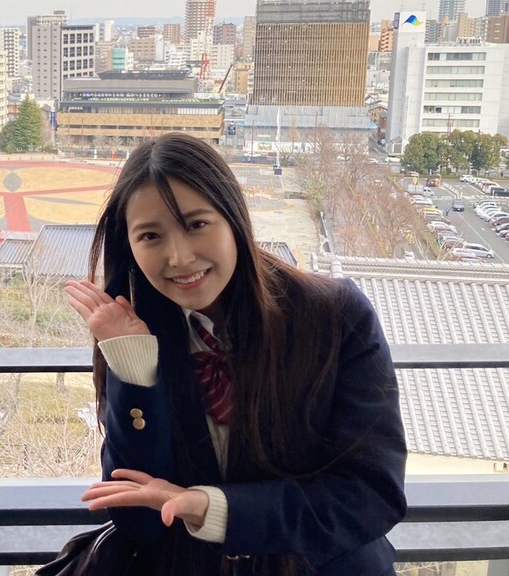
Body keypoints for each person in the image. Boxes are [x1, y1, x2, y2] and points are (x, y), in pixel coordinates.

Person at [63, 133, 407, 575]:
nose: (179, 257)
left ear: (233, 217)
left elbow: (371, 494)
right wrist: (134, 368)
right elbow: (139, 523)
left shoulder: (333, 317)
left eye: (196, 225)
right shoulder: (133, 331)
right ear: (129, 245)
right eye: (150, 236)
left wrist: (216, 509)